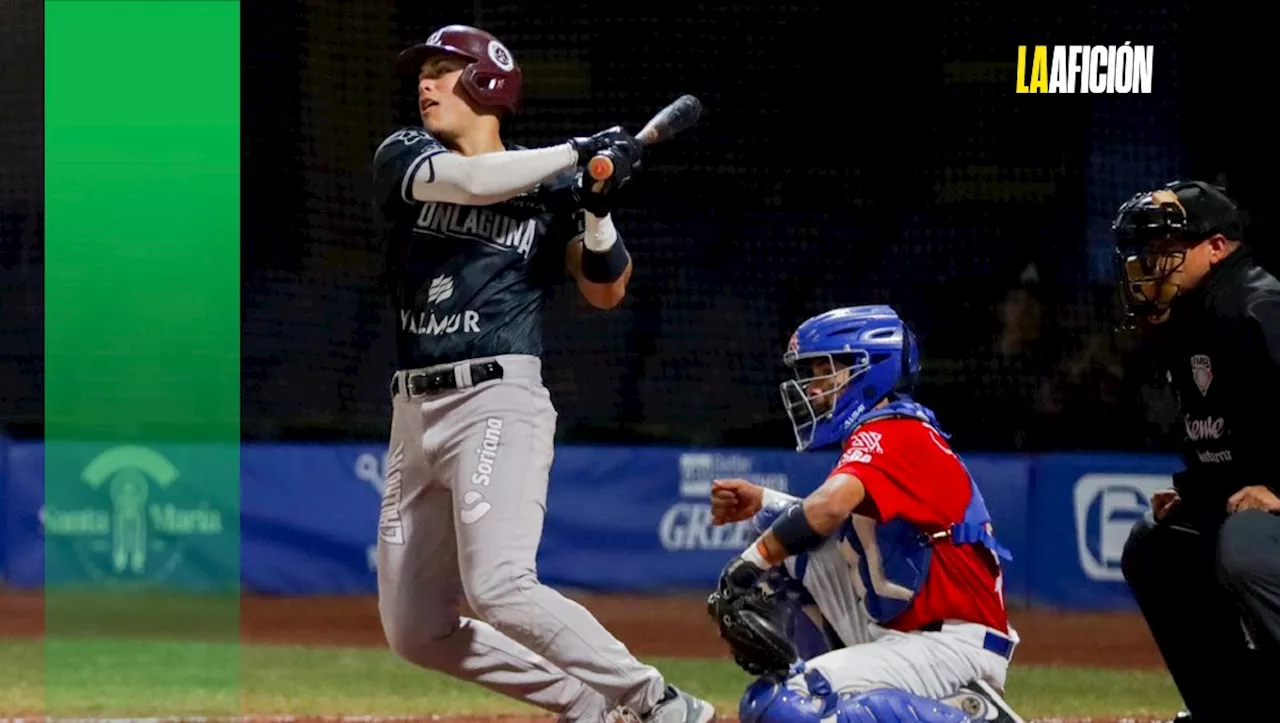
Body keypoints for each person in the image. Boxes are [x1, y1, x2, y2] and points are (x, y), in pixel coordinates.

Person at [369, 24, 714, 723]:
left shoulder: (553, 185)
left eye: (443, 71)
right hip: (413, 411)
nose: (425, 84)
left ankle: (658, 704)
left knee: (498, 584)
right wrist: (580, 154)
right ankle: (586, 704)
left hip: (496, 398)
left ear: (486, 83)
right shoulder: (406, 154)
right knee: (415, 630)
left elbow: (606, 289)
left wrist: (594, 210)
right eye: (424, 73)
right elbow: (471, 180)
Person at [705, 305, 1025, 723]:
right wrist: (763, 502)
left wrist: (747, 566)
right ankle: (835, 685)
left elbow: (828, 508)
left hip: (951, 646)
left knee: (781, 707)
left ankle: (970, 715)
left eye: (824, 370)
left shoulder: (895, 430)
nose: (813, 388)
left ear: (869, 369)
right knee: (778, 529)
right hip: (904, 633)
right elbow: (823, 522)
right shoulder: (888, 431)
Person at [1112, 180, 1280, 722]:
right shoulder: (1190, 319)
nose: (1149, 263)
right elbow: (1235, 435)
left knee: (1248, 544)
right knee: (1155, 547)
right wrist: (1195, 490)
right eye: (1145, 251)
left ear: (1217, 247)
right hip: (1247, 499)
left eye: (1166, 248)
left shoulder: (1261, 306)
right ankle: (1234, 710)